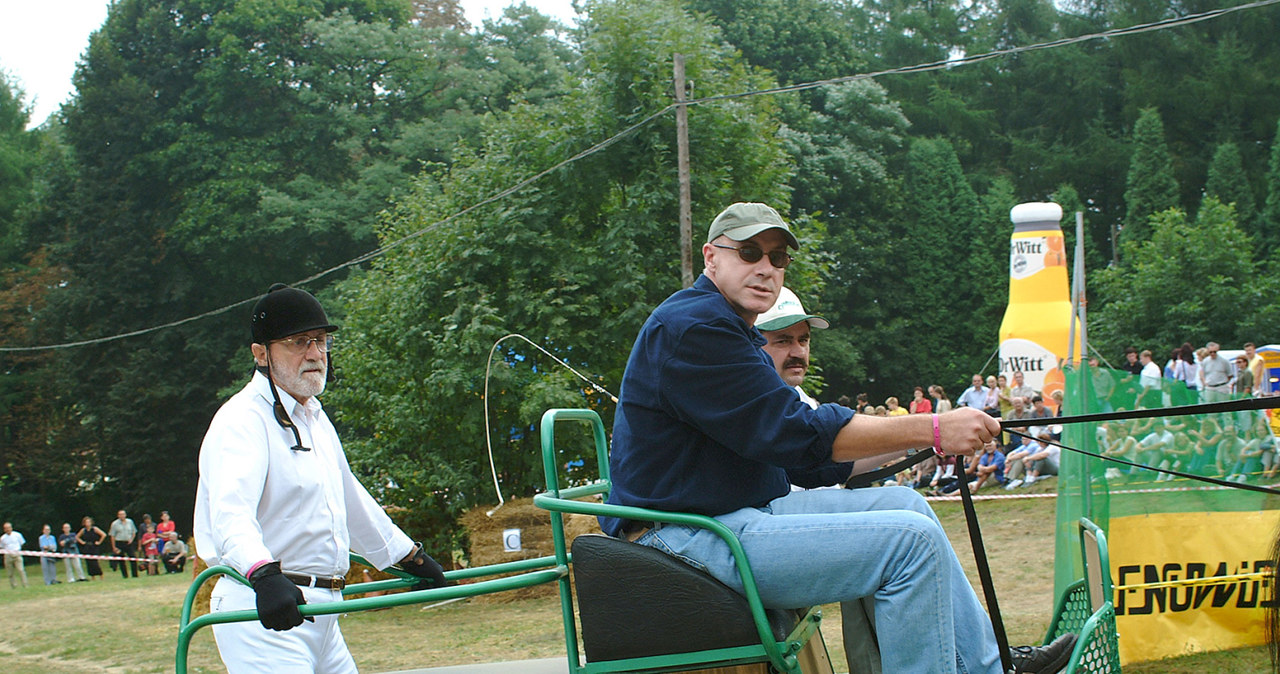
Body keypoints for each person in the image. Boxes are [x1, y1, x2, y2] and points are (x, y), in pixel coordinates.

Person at [601, 202, 1075, 673]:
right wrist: (934, 426)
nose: (766, 268)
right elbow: (797, 433)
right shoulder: (696, 328)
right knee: (909, 543)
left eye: (778, 258)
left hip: (729, 516)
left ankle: (989, 666)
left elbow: (803, 463)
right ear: (711, 258)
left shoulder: (726, 326)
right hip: (685, 535)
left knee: (908, 507)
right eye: (749, 252)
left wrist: (933, 439)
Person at [194, 283, 447, 673]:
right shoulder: (241, 421)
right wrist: (262, 573)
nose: (314, 354)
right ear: (261, 354)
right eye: (297, 342)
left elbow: (347, 496)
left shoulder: (313, 415)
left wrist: (406, 555)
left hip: (323, 610)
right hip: (265, 610)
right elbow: (230, 515)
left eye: (320, 341)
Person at [754, 286, 829, 410]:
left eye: (803, 340)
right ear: (752, 344)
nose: (799, 353)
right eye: (783, 341)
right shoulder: (733, 407)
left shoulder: (807, 405)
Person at [108, 510, 138, 579]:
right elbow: (112, 536)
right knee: (121, 560)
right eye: (120, 514)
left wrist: (131, 539)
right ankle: (125, 575)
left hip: (128, 542)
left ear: (125, 515)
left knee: (133, 558)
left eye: (123, 514)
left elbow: (134, 532)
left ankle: (135, 575)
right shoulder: (115, 524)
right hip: (119, 542)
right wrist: (114, 547)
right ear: (118, 516)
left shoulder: (130, 522)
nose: (122, 516)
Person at [1, 522, 27, 589]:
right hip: (8, 556)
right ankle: (13, 586)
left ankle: (25, 585)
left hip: (17, 554)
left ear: (11, 528)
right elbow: (2, 547)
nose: (8, 529)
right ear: (4, 529)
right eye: (6, 528)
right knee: (10, 573)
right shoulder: (2, 538)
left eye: (9, 528)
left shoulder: (17, 535)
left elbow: (22, 543)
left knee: (21, 570)